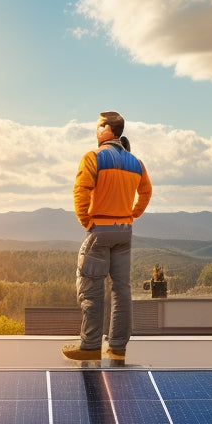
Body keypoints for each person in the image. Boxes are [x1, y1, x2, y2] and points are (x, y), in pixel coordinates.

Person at [62, 111, 152, 362]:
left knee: (91, 286)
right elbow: (146, 192)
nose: (96, 130)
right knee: (122, 289)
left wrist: (85, 220)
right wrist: (132, 213)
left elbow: (81, 190)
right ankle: (117, 347)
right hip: (125, 232)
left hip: (100, 229)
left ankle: (90, 345)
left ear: (109, 129)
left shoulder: (94, 157)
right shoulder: (137, 163)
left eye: (98, 126)